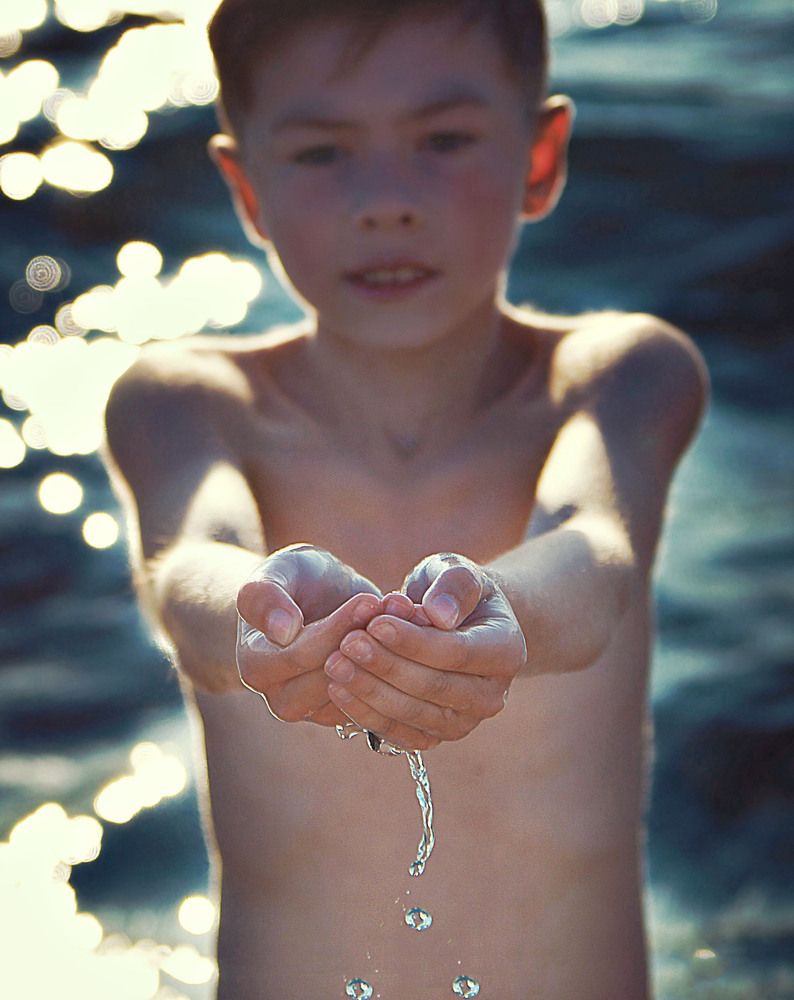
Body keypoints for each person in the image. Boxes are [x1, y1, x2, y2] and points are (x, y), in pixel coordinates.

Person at [101, 1, 708, 997]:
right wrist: (259, 610)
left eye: (442, 139)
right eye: (322, 153)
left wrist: (501, 608)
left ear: (539, 156)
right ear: (245, 189)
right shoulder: (189, 402)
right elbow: (189, 570)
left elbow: (592, 544)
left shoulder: (617, 374)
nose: (386, 198)